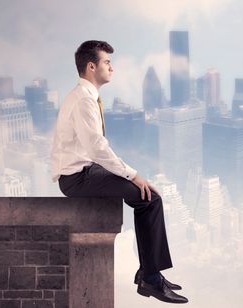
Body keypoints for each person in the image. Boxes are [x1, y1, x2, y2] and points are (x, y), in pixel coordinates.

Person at [50, 40, 188, 304]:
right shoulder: (83, 101)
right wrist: (133, 175)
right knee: (150, 198)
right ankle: (150, 278)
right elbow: (97, 148)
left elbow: (94, 150)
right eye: (107, 62)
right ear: (91, 66)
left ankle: (149, 272)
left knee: (145, 197)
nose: (112, 68)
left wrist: (127, 173)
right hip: (77, 178)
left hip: (83, 171)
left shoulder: (85, 96)